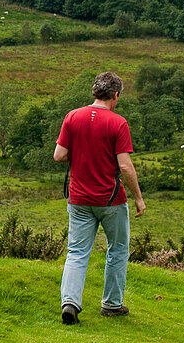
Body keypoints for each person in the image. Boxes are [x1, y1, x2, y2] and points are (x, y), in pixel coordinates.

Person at [53, 71, 145, 325]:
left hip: (79, 198)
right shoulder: (118, 123)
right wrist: (138, 198)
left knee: (77, 252)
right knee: (117, 250)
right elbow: (125, 167)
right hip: (110, 200)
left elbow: (59, 156)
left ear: (94, 92)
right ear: (115, 95)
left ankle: (70, 303)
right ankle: (112, 305)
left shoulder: (72, 117)